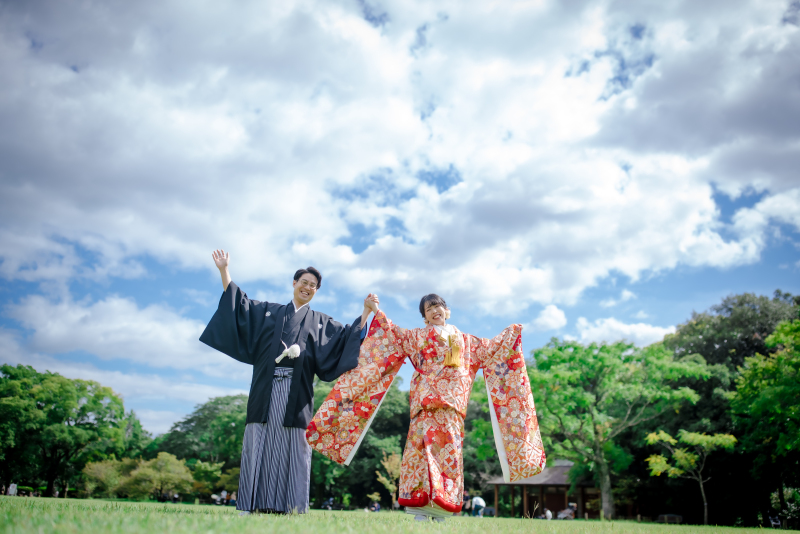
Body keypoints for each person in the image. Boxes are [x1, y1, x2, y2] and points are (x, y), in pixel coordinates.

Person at [307, 294, 546, 522]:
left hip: (451, 407)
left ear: (447, 311)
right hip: (425, 404)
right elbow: (393, 334)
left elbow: (493, 349)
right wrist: (373, 310)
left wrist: (511, 334)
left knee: (448, 455)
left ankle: (441, 509)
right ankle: (419, 508)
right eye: (428, 309)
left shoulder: (467, 342)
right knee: (419, 455)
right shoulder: (418, 337)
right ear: (425, 317)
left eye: (437, 306)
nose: (434, 311)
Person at [200, 250, 374, 515]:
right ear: (294, 284)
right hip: (266, 389)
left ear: (316, 291)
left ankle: (292, 507)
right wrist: (224, 270)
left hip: (297, 392)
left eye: (313, 286)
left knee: (295, 446)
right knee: (259, 440)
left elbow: (348, 337)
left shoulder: (320, 322)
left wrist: (365, 311)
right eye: (303, 282)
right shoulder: (269, 312)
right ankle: (248, 505)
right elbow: (239, 306)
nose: (307, 287)